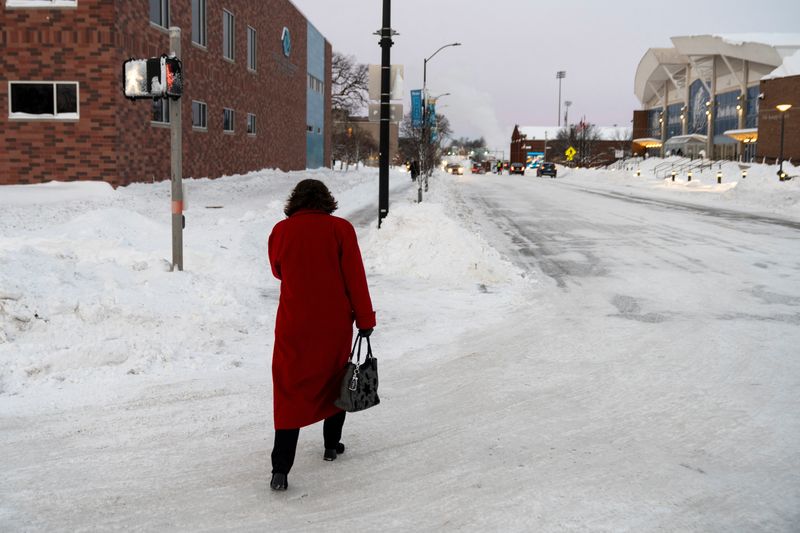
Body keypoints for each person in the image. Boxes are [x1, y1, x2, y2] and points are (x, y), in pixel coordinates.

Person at [267, 179, 376, 492]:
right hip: (333, 324)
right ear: (326, 200)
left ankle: (280, 469)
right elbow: (355, 277)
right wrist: (365, 319)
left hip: (293, 324)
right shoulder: (340, 230)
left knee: (289, 389)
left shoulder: (281, 231)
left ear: (295, 202)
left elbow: (278, 270)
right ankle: (331, 446)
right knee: (334, 380)